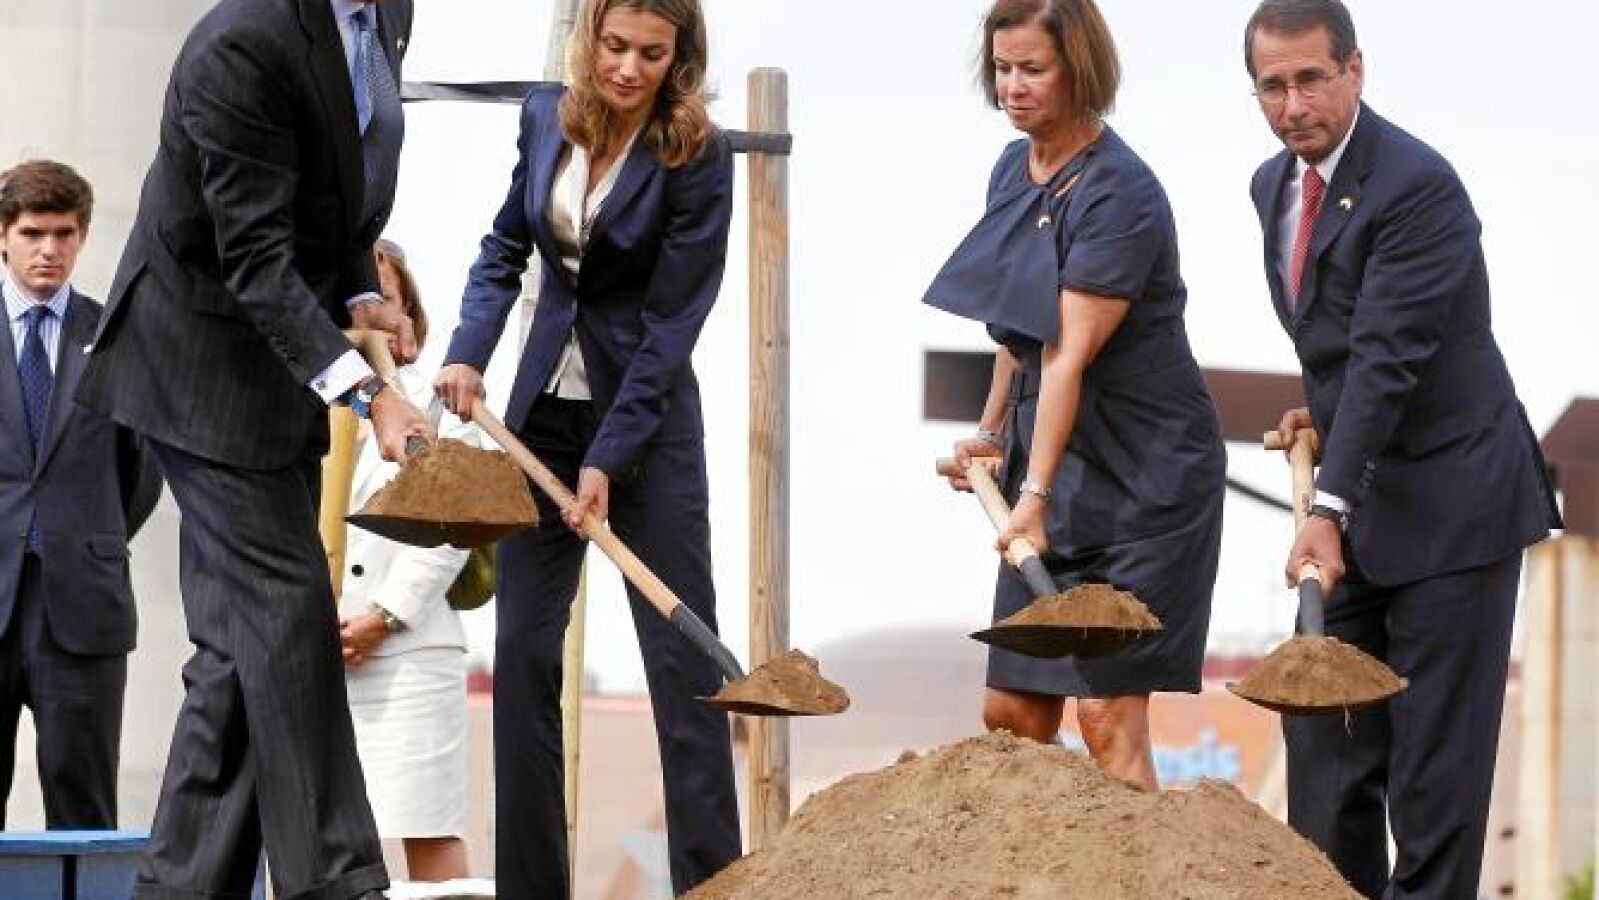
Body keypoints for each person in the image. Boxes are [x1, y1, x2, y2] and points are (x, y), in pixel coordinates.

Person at [76, 0, 432, 897]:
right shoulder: (243, 43)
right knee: (288, 610)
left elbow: (336, 187)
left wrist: (357, 292)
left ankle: (181, 887)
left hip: (276, 370)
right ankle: (337, 880)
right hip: (195, 367)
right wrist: (370, 396)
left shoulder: (385, 13)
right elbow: (255, 258)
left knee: (238, 655)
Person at [1241, 2, 1562, 897]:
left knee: (1432, 786)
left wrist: (1326, 505)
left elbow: (1388, 354)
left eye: (1310, 78)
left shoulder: (1418, 186)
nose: (1292, 104)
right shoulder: (1270, 187)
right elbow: (1333, 339)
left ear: (1354, 69)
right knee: (1325, 751)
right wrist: (1323, 414)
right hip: (1364, 503)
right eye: (1271, 86)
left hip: (1455, 507)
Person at [433, 0, 739, 893]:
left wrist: (609, 456)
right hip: (541, 422)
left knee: (682, 666)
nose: (629, 69)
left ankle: (710, 882)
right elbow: (503, 248)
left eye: (651, 53)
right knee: (524, 656)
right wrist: (468, 350)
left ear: (680, 57)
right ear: (588, 39)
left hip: (645, 428)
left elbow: (671, 324)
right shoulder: (545, 116)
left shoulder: (696, 154)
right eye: (614, 46)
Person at [927, 0, 1226, 792]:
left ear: (1079, 70)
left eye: (1033, 69)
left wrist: (1031, 495)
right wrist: (991, 433)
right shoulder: (1009, 171)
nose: (1013, 86)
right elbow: (1017, 329)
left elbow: (1063, 355)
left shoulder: (1119, 193)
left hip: (1145, 484)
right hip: (1059, 474)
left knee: (1103, 715)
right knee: (1011, 715)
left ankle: (1135, 854)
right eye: (1002, 69)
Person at [0, 160, 161, 829]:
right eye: (33, 232)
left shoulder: (116, 337)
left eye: (64, 233)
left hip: (83, 604)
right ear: (3, 236)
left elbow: (141, 473)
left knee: (84, 812)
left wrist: (86, 535)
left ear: (83, 236)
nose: (49, 249)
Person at [340, 240, 472, 884]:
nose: (368, 314)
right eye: (353, 299)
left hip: (408, 651)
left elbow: (453, 527)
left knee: (427, 821)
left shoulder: (440, 404)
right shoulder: (293, 400)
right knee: (306, 833)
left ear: (408, 316)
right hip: (309, 651)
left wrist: (384, 616)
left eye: (383, 298)